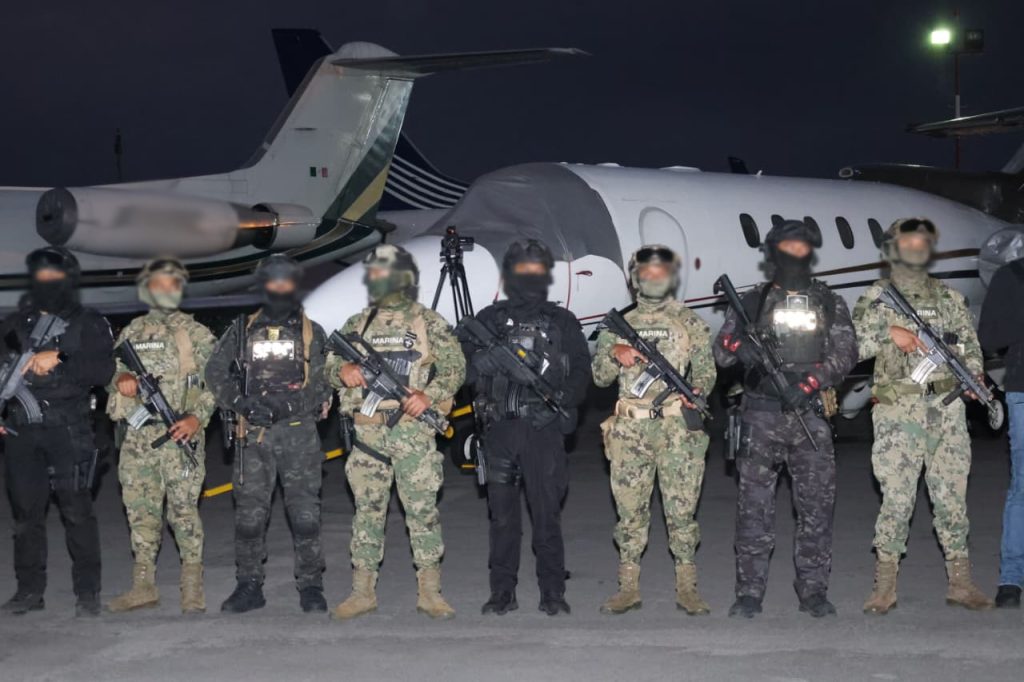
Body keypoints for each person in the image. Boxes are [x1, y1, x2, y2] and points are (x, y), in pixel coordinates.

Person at [714, 220, 857, 618]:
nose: (794, 254)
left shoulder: (828, 301)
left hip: (809, 417)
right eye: (787, 247)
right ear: (772, 254)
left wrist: (810, 384)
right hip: (760, 417)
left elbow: (846, 352)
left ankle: (813, 590)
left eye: (801, 247)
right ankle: (749, 592)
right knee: (753, 509)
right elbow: (721, 351)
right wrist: (739, 346)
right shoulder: (753, 301)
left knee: (816, 510)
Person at [855, 217, 993, 614]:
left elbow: (970, 347)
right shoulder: (877, 297)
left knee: (952, 498)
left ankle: (961, 582)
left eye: (921, 242)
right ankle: (884, 586)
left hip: (947, 409)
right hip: (899, 410)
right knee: (897, 499)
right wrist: (889, 334)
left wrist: (974, 376)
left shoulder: (949, 298)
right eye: (907, 242)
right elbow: (853, 345)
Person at [328, 244, 465, 620]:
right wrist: (342, 371)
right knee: (367, 512)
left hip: (412, 433)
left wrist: (428, 395)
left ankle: (430, 592)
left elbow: (456, 366)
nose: (376, 279)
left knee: (422, 511)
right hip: (368, 436)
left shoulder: (427, 321)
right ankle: (362, 592)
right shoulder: (358, 323)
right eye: (372, 273)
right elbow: (330, 363)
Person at [461, 239, 592, 616]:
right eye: (522, 269)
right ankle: (502, 591)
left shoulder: (562, 320)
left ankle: (552, 591)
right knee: (502, 519)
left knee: (547, 515)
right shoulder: (488, 319)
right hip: (499, 429)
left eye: (536, 269)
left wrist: (560, 402)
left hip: (542, 431)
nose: (529, 276)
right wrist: (480, 364)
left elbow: (581, 372)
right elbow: (457, 369)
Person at [592, 245, 715, 615]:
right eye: (647, 271)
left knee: (682, 512)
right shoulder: (618, 325)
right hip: (631, 431)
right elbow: (599, 378)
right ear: (636, 277)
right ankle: (628, 587)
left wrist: (698, 391)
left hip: (677, 430)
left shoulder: (689, 321)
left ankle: (687, 587)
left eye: (661, 271)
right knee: (630, 513)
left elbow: (706, 371)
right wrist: (615, 353)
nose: (654, 277)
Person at [205, 254, 331, 614]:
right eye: (271, 280)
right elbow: (214, 372)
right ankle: (248, 585)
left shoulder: (311, 332)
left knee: (305, 516)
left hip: (297, 434)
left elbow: (322, 383)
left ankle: (311, 585)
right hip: (253, 435)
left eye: (284, 280)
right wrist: (241, 403)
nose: (278, 287)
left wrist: (285, 406)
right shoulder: (241, 329)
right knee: (249, 519)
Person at [0, 247, 115, 617]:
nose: (47, 281)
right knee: (25, 516)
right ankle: (29, 591)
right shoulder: (15, 323)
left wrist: (60, 357)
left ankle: (87, 592)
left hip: (67, 429)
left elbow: (103, 370)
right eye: (41, 274)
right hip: (20, 431)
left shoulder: (87, 322)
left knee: (76, 512)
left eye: (54, 274)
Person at [105, 257, 216, 614]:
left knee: (183, 513)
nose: (165, 290)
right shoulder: (131, 332)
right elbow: (113, 371)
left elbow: (217, 383)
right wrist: (121, 380)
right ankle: (143, 586)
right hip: (138, 438)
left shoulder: (196, 333)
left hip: (179, 435)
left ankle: (192, 587)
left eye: (172, 284)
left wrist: (197, 418)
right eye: (158, 284)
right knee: (141, 512)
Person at [979, 256, 1024, 608]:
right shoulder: (1012, 276)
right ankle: (1011, 578)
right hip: (1023, 392)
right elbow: (989, 337)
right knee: (1022, 487)